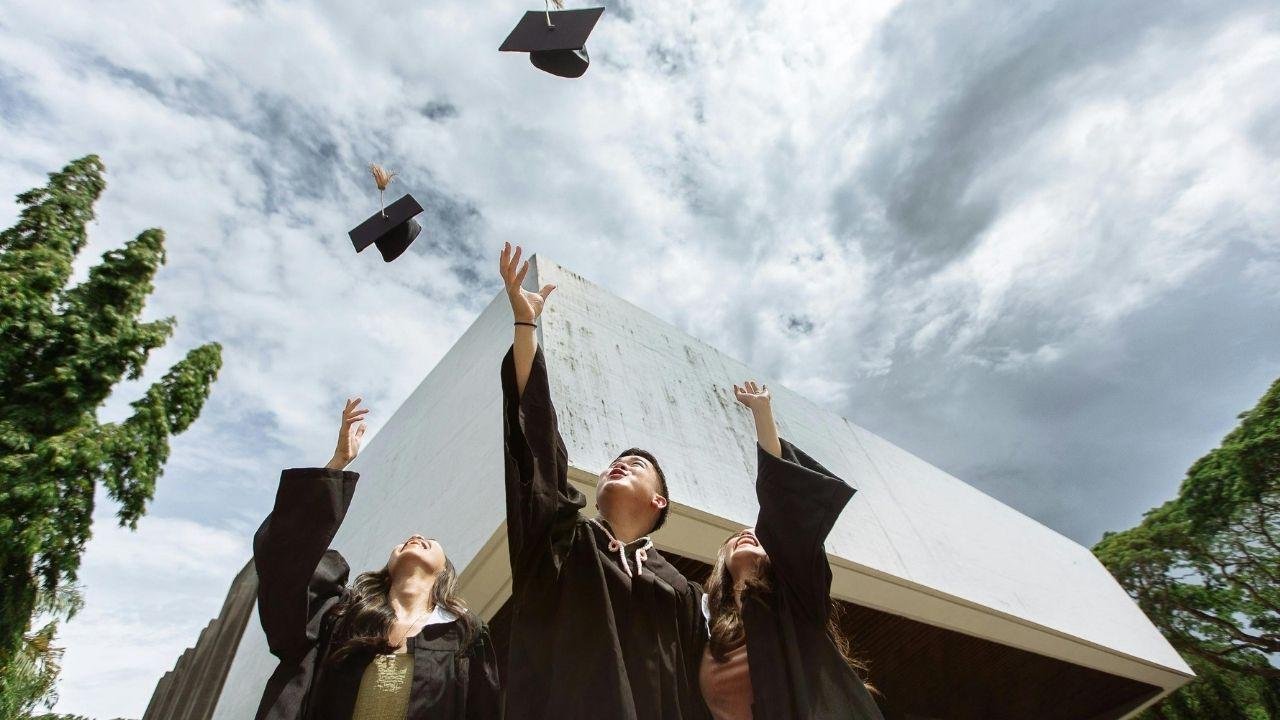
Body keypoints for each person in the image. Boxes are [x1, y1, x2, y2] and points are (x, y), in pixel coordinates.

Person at [498, 242, 710, 720]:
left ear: (660, 501)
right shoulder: (560, 541)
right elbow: (536, 450)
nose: (619, 463)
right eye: (615, 460)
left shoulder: (682, 595)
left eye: (636, 464)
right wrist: (526, 327)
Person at [252, 397, 501, 720]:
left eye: (430, 541)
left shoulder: (465, 635)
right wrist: (337, 463)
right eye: (405, 540)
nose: (416, 537)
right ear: (388, 568)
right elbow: (285, 561)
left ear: (444, 571)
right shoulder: (340, 617)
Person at [700, 380, 884, 720]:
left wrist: (762, 415)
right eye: (736, 536)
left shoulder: (797, 600)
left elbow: (786, 509)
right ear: (721, 558)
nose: (746, 535)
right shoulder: (705, 630)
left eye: (756, 534)